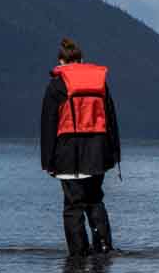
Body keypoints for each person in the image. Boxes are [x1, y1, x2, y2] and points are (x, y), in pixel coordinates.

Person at [41, 37, 121, 256]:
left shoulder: (56, 85)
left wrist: (48, 161)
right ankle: (104, 249)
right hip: (98, 152)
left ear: (60, 61)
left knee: (73, 205)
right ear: (82, 60)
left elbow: (49, 125)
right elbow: (111, 119)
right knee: (95, 200)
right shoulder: (99, 83)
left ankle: (78, 254)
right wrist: (114, 153)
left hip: (67, 154)